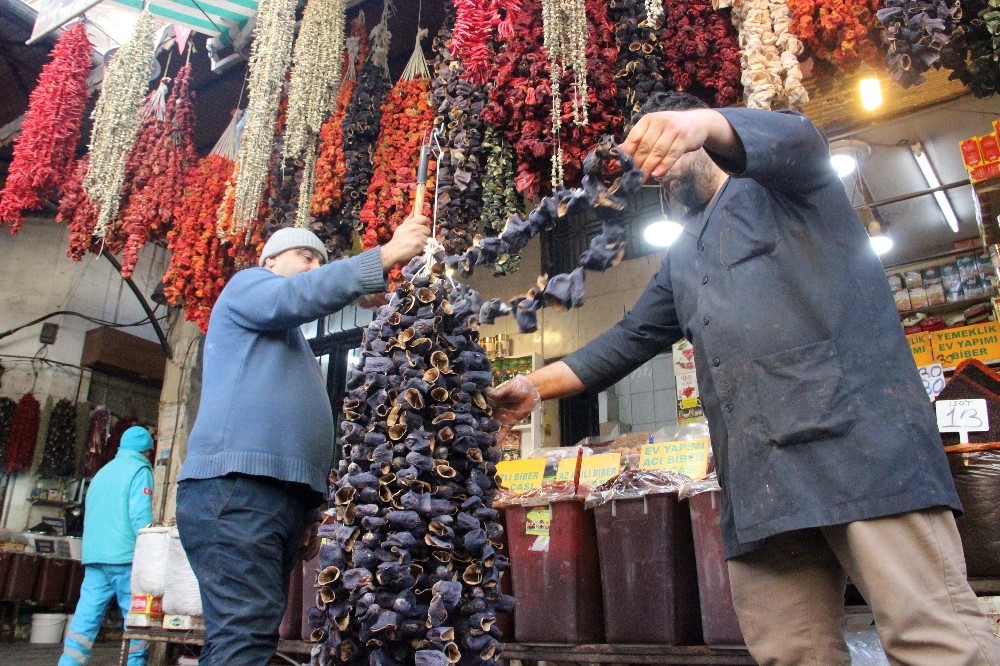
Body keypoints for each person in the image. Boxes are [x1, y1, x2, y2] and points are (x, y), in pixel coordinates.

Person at [491, 92, 1000, 665]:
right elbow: (628, 338)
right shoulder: (684, 254)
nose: (655, 172)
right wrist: (536, 388)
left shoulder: (793, 191)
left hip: (863, 448)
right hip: (760, 477)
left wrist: (706, 121)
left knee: (932, 641)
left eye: (664, 148)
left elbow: (803, 140)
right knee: (791, 651)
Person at [175, 215, 431, 665]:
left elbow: (292, 427)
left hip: (273, 497)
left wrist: (311, 509)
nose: (314, 265)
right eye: (305, 255)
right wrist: (386, 255)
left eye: (320, 259)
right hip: (237, 489)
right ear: (270, 260)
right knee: (245, 631)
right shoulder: (247, 288)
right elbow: (297, 296)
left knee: (247, 632)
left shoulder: (290, 345)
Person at [60, 426, 154, 666]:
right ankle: (135, 663)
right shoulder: (139, 470)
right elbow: (139, 516)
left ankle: (69, 662)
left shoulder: (103, 472)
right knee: (136, 618)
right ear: (147, 451)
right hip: (124, 557)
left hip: (95, 556)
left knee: (86, 616)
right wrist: (150, 550)